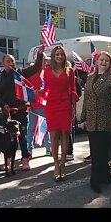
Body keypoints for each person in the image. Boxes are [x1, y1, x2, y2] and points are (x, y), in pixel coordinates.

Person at [81, 51, 111, 194]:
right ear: (97, 61)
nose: (103, 62)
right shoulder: (89, 77)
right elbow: (86, 99)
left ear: (110, 63)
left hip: (105, 119)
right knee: (96, 150)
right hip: (91, 120)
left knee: (99, 152)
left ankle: (94, 181)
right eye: (101, 60)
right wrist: (83, 118)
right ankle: (105, 176)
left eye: (107, 60)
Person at [0, 47, 44, 171]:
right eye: (8, 61)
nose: (11, 63)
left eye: (12, 61)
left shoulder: (20, 74)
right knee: (8, 138)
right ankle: (8, 160)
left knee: (23, 136)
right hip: (8, 112)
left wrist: (40, 55)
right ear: (3, 63)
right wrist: (3, 104)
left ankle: (25, 159)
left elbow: (36, 68)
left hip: (20, 110)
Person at [38, 46, 78, 181]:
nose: (59, 56)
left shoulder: (70, 71)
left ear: (64, 56)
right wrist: (39, 92)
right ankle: (56, 165)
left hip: (65, 105)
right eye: (57, 54)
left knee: (64, 136)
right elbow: (46, 88)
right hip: (51, 106)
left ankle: (63, 165)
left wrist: (73, 107)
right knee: (53, 136)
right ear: (53, 57)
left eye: (61, 54)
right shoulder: (47, 71)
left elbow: (72, 90)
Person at [26, 58, 51, 158]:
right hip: (33, 105)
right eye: (43, 60)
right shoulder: (31, 72)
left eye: (45, 61)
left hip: (45, 105)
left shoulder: (47, 73)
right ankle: (29, 150)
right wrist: (27, 103)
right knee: (31, 128)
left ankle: (48, 148)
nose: (44, 62)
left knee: (45, 127)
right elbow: (26, 88)